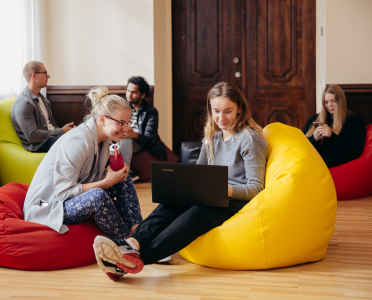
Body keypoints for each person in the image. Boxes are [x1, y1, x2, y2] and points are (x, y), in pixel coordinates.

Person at [93, 82, 267, 281]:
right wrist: (183, 187)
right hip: (209, 194)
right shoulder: (213, 137)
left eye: (228, 111)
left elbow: (256, 188)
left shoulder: (250, 139)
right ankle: (132, 244)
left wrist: (221, 190)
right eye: (216, 111)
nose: (221, 118)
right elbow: (197, 174)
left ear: (240, 109)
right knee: (170, 204)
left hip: (233, 199)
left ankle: (133, 260)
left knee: (196, 213)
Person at [23, 86, 143, 279]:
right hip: (49, 205)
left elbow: (88, 174)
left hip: (69, 197)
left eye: (127, 123)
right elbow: (63, 193)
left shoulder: (104, 139)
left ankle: (139, 236)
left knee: (124, 178)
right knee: (98, 196)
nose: (126, 129)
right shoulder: (78, 141)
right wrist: (105, 182)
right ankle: (127, 248)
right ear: (102, 119)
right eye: (121, 123)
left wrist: (111, 175)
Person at [11, 61, 75, 153]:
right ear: (34, 76)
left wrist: (68, 131)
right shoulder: (24, 103)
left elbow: (51, 127)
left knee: (82, 135)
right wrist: (61, 131)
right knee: (75, 141)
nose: (48, 76)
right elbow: (32, 136)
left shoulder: (43, 99)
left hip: (52, 139)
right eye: (45, 73)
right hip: (40, 145)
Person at [303, 84, 366, 168]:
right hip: (316, 157)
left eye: (333, 101)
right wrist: (313, 138)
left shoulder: (354, 121)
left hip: (339, 161)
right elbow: (302, 145)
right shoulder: (314, 119)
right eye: (326, 102)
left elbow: (355, 152)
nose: (329, 105)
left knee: (308, 160)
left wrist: (332, 136)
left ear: (340, 101)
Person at [119, 76, 168, 181]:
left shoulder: (151, 111)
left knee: (125, 138)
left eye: (133, 92)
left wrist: (133, 134)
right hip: (120, 138)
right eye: (128, 91)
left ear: (143, 95)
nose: (129, 95)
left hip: (139, 142)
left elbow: (150, 139)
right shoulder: (122, 107)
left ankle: (125, 173)